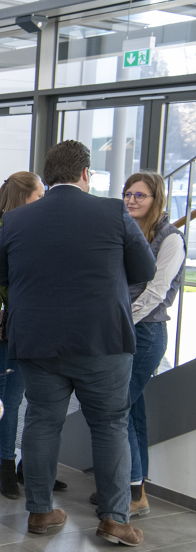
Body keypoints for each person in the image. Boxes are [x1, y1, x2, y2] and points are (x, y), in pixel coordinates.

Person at [0, 140, 155, 545]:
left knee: (44, 421)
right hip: (104, 340)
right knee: (111, 425)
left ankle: (40, 513)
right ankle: (115, 520)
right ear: (86, 174)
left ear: (47, 176)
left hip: (38, 340)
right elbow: (145, 269)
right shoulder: (113, 212)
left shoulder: (17, 219)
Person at [92, 171, 185, 517]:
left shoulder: (170, 238)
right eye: (128, 193)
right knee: (134, 412)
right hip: (125, 329)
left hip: (144, 334)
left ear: (155, 199)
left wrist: (119, 321)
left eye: (140, 195)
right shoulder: (128, 230)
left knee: (119, 409)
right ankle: (132, 485)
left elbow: (156, 292)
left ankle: (131, 493)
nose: (131, 200)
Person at [0, 171, 65, 500]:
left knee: (39, 398)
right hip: (12, 324)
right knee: (11, 397)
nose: (45, 199)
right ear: (23, 198)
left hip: (41, 324)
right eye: (40, 194)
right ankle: (6, 466)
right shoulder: (5, 227)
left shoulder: (41, 225)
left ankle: (30, 467)